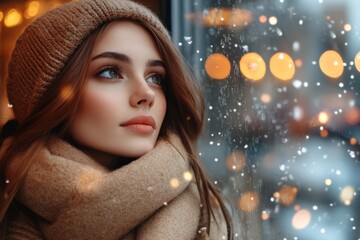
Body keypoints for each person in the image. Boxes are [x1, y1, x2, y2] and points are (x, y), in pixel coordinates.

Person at [0, 0, 233, 239]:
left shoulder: (206, 217)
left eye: (155, 77)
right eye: (110, 72)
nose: (147, 93)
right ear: (51, 97)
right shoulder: (9, 218)